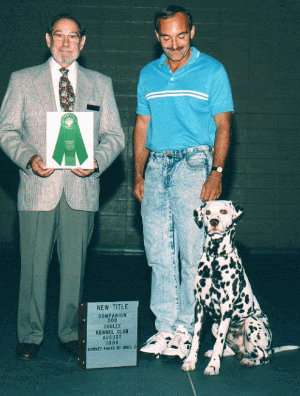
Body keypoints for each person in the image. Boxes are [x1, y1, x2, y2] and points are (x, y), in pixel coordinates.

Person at [0, 14, 124, 360]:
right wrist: (28, 158)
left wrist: (97, 161)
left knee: (75, 268)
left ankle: (70, 331)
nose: (66, 43)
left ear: (83, 43)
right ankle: (30, 334)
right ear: (47, 39)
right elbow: (6, 130)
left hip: (81, 190)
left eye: (73, 37)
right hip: (37, 187)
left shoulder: (101, 83)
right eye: (59, 35)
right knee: (33, 268)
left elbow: (114, 135)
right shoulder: (22, 80)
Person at [133, 5, 234, 359]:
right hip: (156, 166)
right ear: (156, 36)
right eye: (165, 37)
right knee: (158, 251)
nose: (174, 44)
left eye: (180, 35)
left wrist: (216, 172)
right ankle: (165, 330)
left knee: (192, 252)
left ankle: (188, 330)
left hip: (194, 164)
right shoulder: (149, 73)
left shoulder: (213, 71)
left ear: (192, 32)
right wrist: (138, 173)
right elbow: (142, 126)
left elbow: (223, 125)